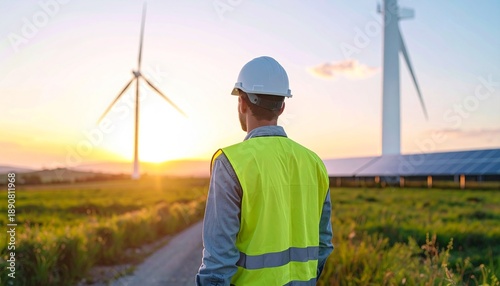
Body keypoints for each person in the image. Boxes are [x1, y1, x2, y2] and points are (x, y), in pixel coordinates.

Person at [196, 56, 333, 286]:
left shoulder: (230, 162)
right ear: (282, 106)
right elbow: (324, 244)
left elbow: (218, 263)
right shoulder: (314, 163)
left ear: (241, 102)